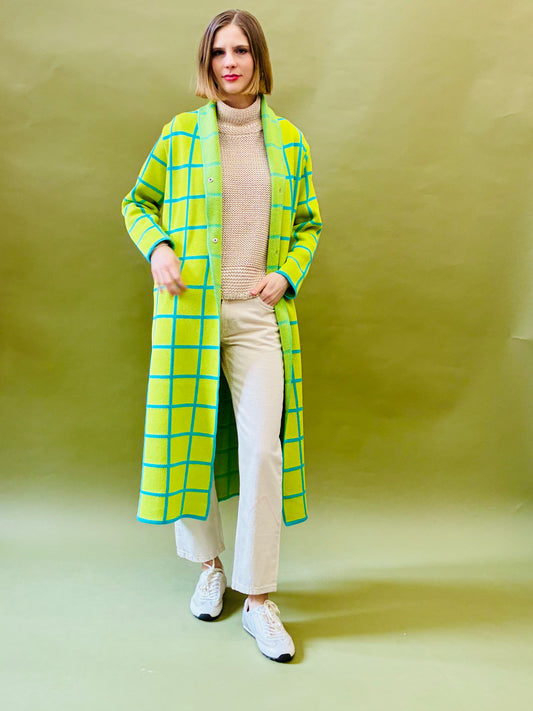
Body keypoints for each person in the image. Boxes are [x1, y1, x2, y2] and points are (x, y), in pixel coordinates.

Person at [121, 8, 321, 663]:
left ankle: (258, 598)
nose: (229, 63)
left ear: (258, 59)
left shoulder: (288, 141)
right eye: (218, 52)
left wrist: (286, 274)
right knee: (190, 441)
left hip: (257, 318)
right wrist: (158, 250)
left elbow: (308, 226)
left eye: (240, 50)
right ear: (207, 63)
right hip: (191, 316)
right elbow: (136, 203)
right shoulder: (180, 134)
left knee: (262, 448)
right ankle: (209, 566)